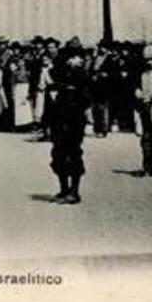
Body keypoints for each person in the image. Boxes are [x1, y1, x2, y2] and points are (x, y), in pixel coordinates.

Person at [49, 42, 90, 204]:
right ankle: (64, 189)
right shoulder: (60, 70)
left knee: (73, 153)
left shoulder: (82, 74)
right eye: (72, 56)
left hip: (75, 118)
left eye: (77, 56)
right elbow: (54, 73)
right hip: (59, 116)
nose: (75, 59)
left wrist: (77, 71)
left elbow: (87, 96)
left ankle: (74, 191)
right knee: (58, 152)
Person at [135, 44, 152, 178]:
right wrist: (137, 91)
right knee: (146, 137)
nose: (150, 62)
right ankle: (148, 165)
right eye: (147, 60)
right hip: (144, 105)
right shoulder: (143, 74)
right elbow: (135, 85)